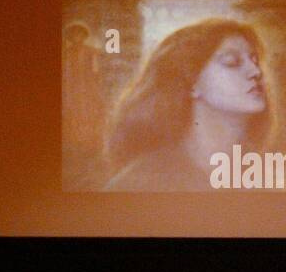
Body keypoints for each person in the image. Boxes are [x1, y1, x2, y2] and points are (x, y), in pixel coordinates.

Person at [104, 18, 274, 191]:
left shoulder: (265, 178)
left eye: (255, 60)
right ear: (192, 82)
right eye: (232, 62)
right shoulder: (139, 181)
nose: (256, 71)